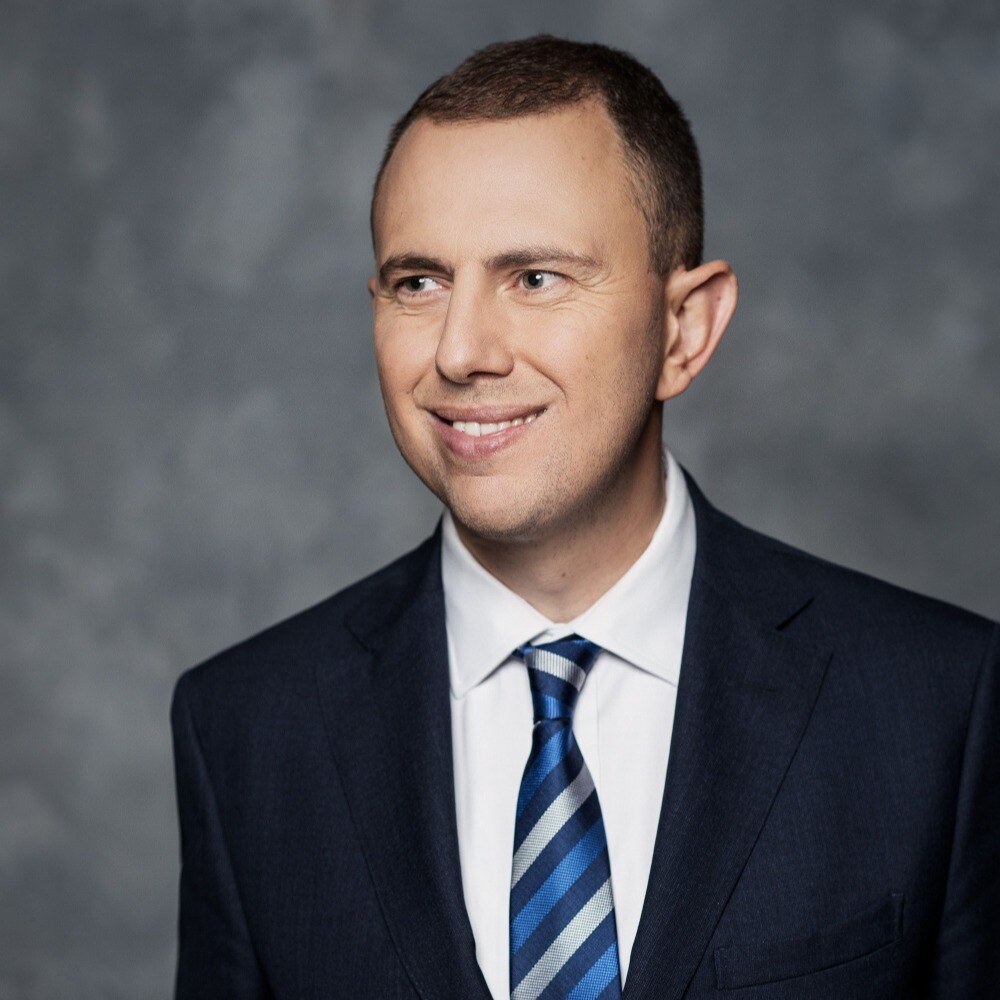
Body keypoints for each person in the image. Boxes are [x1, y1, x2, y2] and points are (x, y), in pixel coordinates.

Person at [170, 36, 999, 1000]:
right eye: (419, 283)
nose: (462, 351)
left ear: (684, 330)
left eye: (535, 278)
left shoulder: (939, 706)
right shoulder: (247, 731)